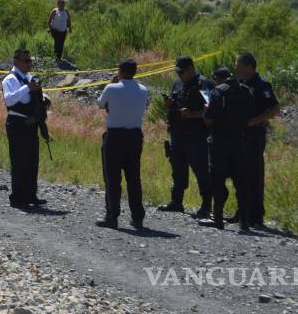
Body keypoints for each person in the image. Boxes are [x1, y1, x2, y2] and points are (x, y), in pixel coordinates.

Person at [96, 60, 150, 229]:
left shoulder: (112, 88)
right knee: (133, 177)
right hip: (134, 135)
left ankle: (112, 215)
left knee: (112, 177)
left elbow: (100, 104)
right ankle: (137, 216)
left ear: (120, 71)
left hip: (115, 135)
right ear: (135, 72)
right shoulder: (143, 90)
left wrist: (111, 83)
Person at [158, 56, 215, 218]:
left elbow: (211, 110)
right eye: (177, 72)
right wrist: (169, 105)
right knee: (177, 169)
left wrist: (193, 114)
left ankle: (206, 206)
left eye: (181, 72)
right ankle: (176, 202)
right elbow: (174, 104)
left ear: (191, 69)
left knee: (202, 171)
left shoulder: (204, 84)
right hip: (178, 134)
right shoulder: (177, 83)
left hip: (197, 135)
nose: (179, 75)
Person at [201, 66, 257, 231]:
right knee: (241, 182)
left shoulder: (218, 92)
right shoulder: (246, 91)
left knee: (218, 180)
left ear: (217, 78)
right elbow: (250, 116)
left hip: (219, 141)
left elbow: (209, 120)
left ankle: (218, 219)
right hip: (240, 141)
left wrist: (206, 111)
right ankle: (244, 221)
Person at [235, 52, 280, 229]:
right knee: (240, 174)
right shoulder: (239, 84)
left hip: (254, 135)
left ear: (248, 67)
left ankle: (255, 215)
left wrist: (254, 121)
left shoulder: (262, 86)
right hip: (239, 135)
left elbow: (275, 110)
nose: (235, 68)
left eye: (238, 65)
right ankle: (242, 212)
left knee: (253, 175)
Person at [2, 47, 50, 208]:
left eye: (30, 60)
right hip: (17, 125)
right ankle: (17, 197)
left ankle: (31, 195)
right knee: (19, 161)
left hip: (31, 125)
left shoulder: (30, 78)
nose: (29, 63)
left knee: (32, 161)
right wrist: (27, 88)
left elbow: (34, 98)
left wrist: (43, 98)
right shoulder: (10, 79)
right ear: (16, 61)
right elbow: (9, 100)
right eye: (26, 60)